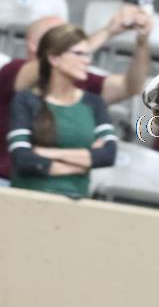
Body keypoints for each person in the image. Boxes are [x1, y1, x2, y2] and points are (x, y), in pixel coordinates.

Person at [0, 5, 152, 182]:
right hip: (9, 180)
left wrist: (142, 42)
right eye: (62, 38)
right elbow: (43, 68)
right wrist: (108, 31)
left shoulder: (82, 83)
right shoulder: (14, 70)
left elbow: (131, 87)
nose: (85, 59)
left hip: (69, 184)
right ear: (35, 45)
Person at [9, 24, 117, 198]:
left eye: (87, 54)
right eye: (78, 54)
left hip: (76, 200)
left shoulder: (94, 102)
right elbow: (22, 158)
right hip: (28, 198)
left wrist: (46, 153)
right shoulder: (26, 100)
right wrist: (83, 161)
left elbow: (108, 155)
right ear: (53, 59)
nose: (87, 61)